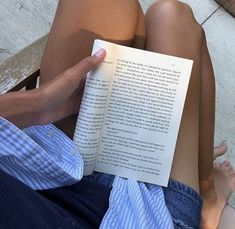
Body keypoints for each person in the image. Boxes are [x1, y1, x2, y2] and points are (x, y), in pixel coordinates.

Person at [0, 0, 234, 228]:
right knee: (173, 18)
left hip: (47, 164)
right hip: (145, 215)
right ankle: (207, 194)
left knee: (146, 10)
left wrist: (39, 103)